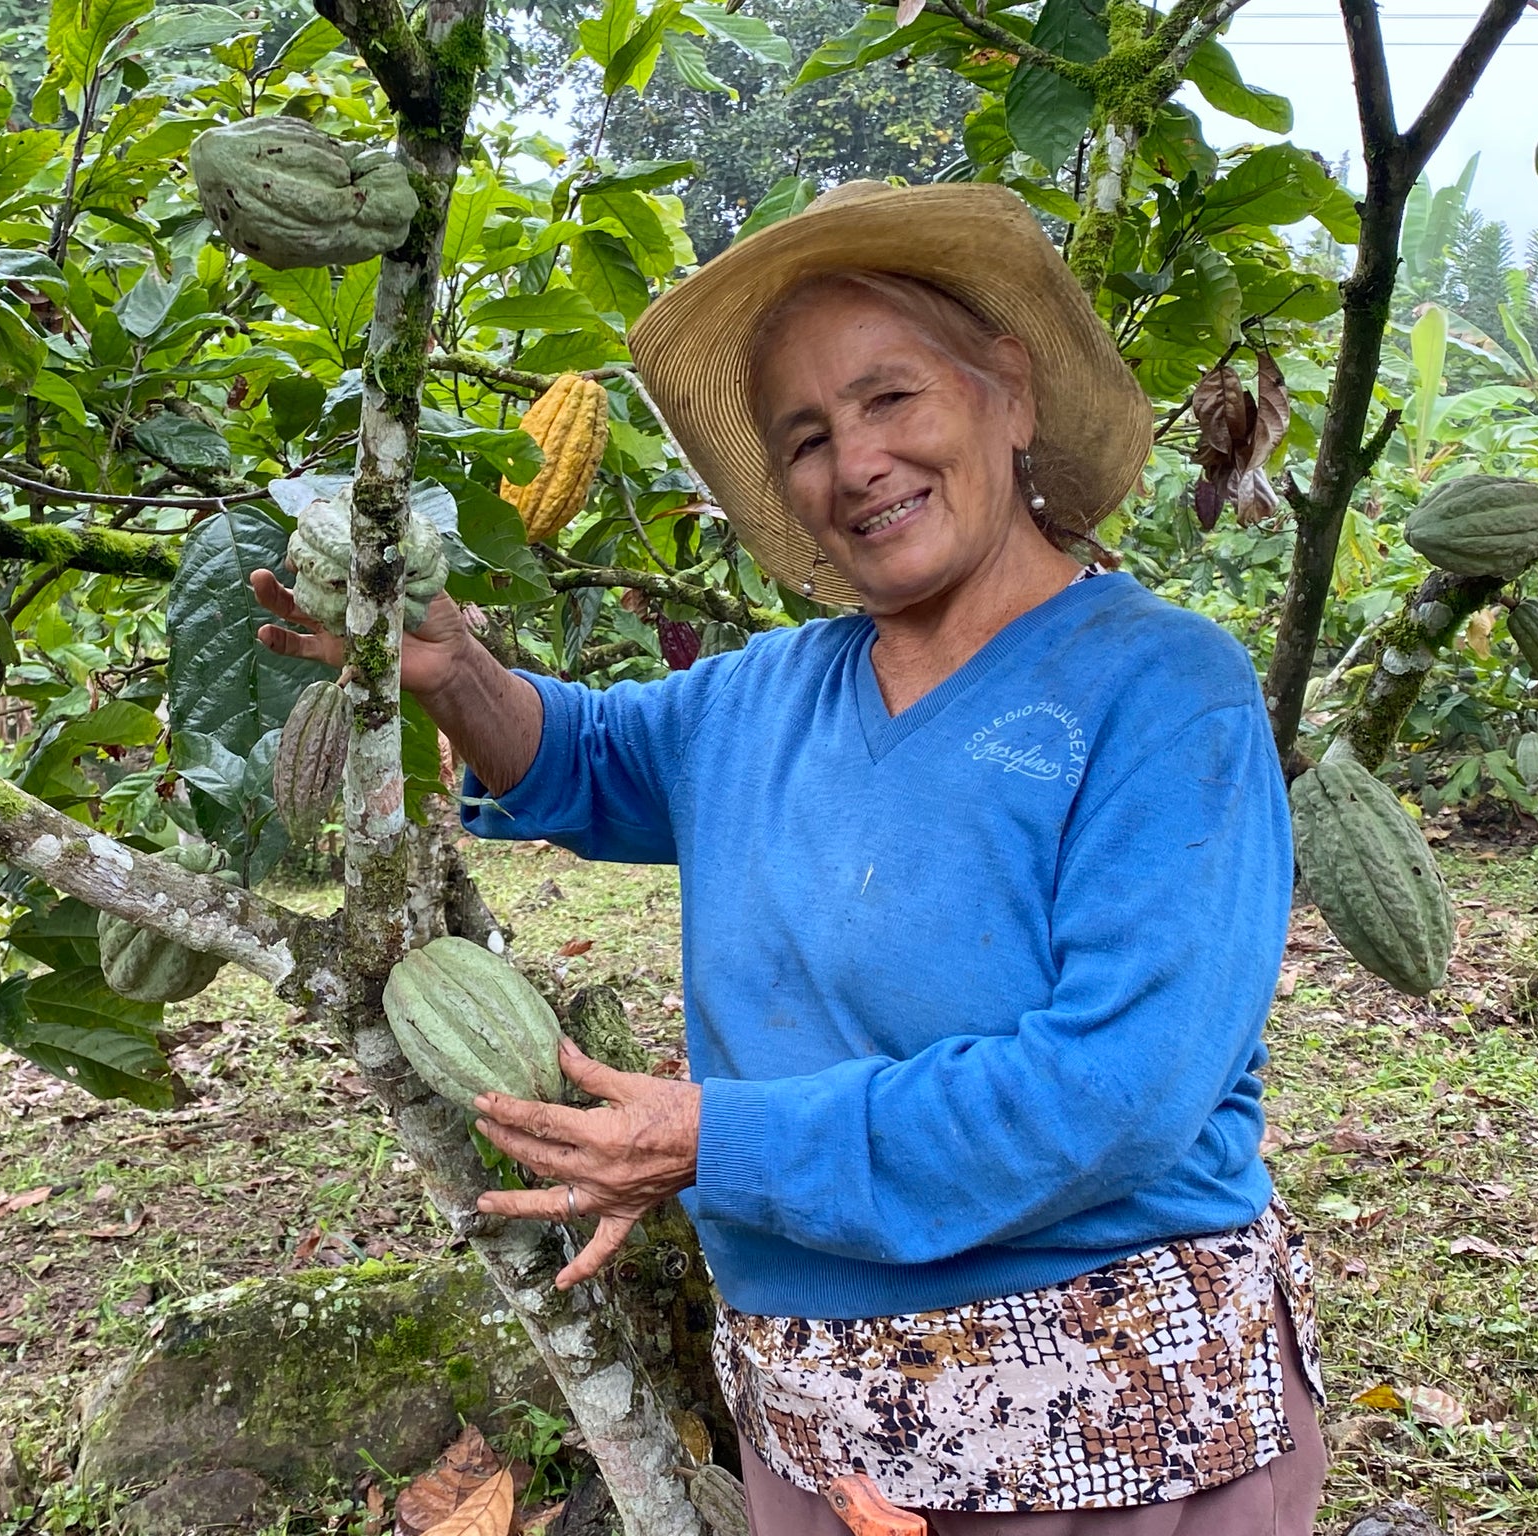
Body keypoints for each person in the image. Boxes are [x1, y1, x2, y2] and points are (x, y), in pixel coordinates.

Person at [254, 181, 1324, 1534]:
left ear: (1011, 396)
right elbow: (579, 755)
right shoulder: (764, 698)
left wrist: (716, 1138)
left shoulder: (1163, 692)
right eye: (805, 435)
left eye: (891, 400)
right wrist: (459, 672)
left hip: (1109, 1432)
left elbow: (1115, 1092)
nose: (854, 461)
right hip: (819, 1427)